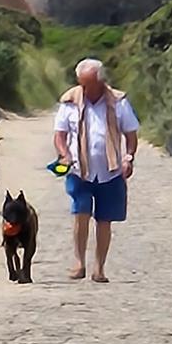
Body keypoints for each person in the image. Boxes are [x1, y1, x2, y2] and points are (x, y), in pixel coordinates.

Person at [53, 58, 139, 282]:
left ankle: (99, 268)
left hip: (110, 171)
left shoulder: (118, 102)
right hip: (79, 170)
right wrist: (64, 154)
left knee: (104, 219)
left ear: (100, 81)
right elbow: (60, 135)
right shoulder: (69, 102)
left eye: (88, 84)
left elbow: (131, 134)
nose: (84, 89)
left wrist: (128, 158)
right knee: (80, 213)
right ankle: (79, 262)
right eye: (81, 83)